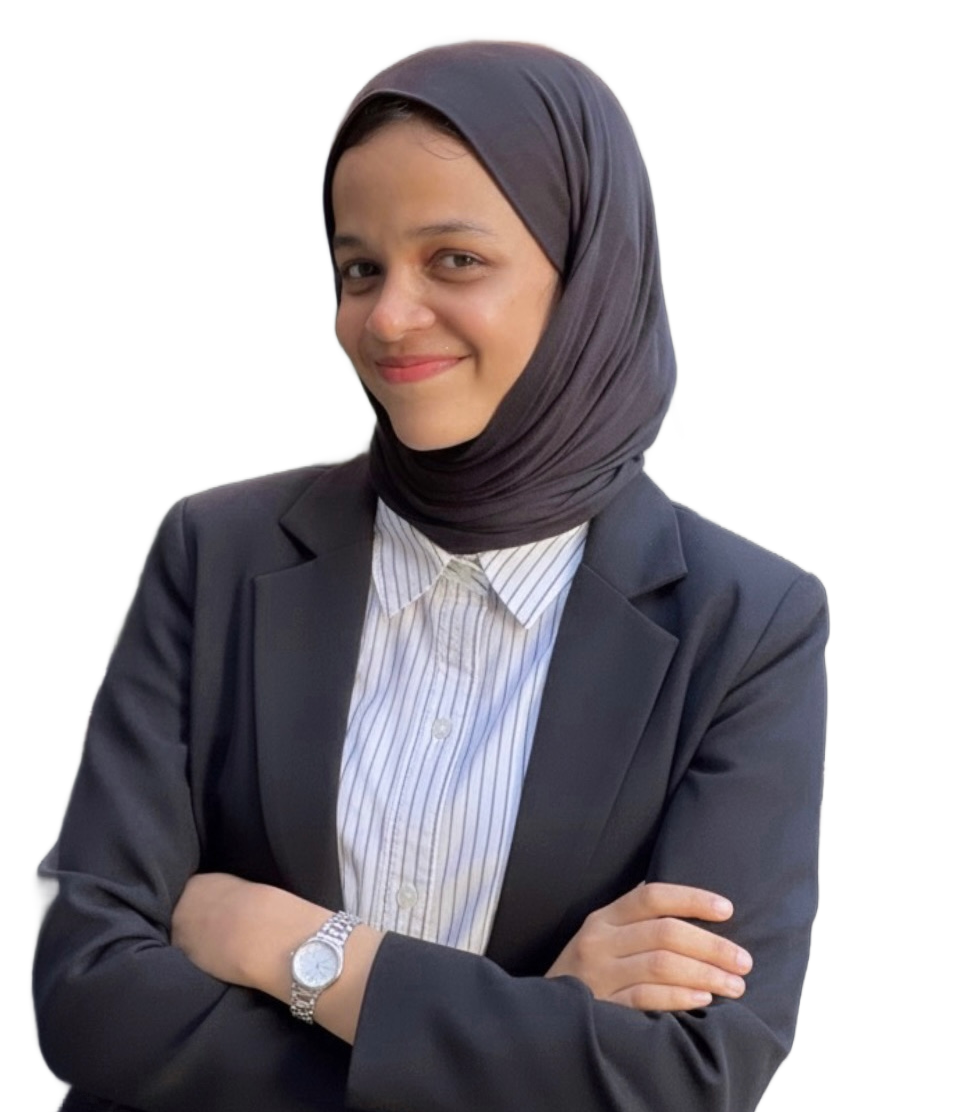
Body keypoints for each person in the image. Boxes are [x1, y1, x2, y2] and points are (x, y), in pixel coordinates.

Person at [30, 34, 828, 1112]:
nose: (389, 318)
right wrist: (527, 1031)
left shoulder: (746, 623)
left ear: (587, 276)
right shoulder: (214, 554)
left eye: (454, 260)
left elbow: (687, 1074)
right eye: (361, 268)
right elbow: (87, 998)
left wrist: (298, 947)